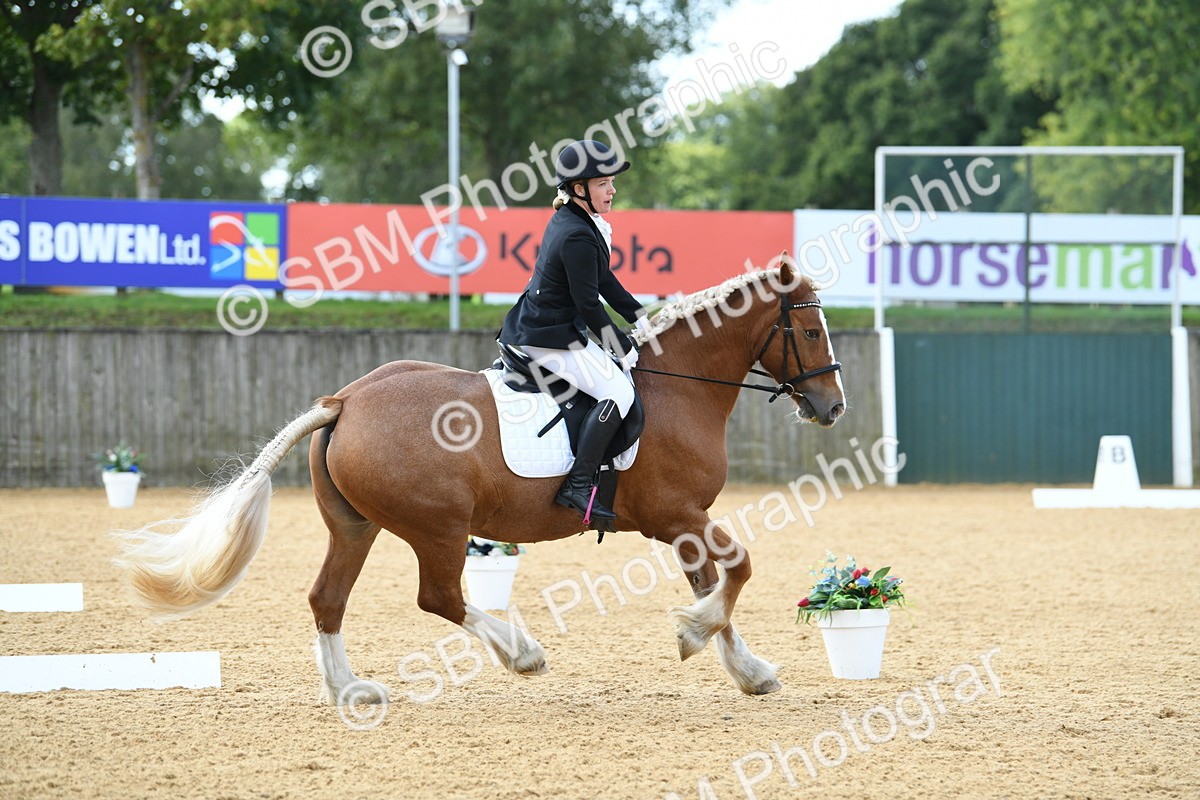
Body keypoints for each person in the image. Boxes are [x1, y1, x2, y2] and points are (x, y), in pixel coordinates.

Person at [497, 139, 644, 522]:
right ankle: (578, 484)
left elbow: (603, 280)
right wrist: (619, 345)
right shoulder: (577, 233)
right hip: (549, 337)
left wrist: (641, 318)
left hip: (545, 324)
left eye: (612, 182)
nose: (612, 190)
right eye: (603, 184)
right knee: (618, 390)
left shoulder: (578, 220)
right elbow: (589, 304)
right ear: (579, 189)